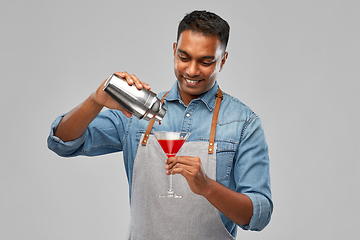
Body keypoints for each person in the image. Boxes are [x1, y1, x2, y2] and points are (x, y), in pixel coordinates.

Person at [48, 10, 273, 239]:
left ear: (222, 60)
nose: (192, 70)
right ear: (174, 51)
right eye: (184, 57)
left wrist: (207, 187)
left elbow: (259, 215)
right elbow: (62, 143)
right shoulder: (137, 112)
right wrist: (95, 101)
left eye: (206, 62)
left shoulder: (244, 123)